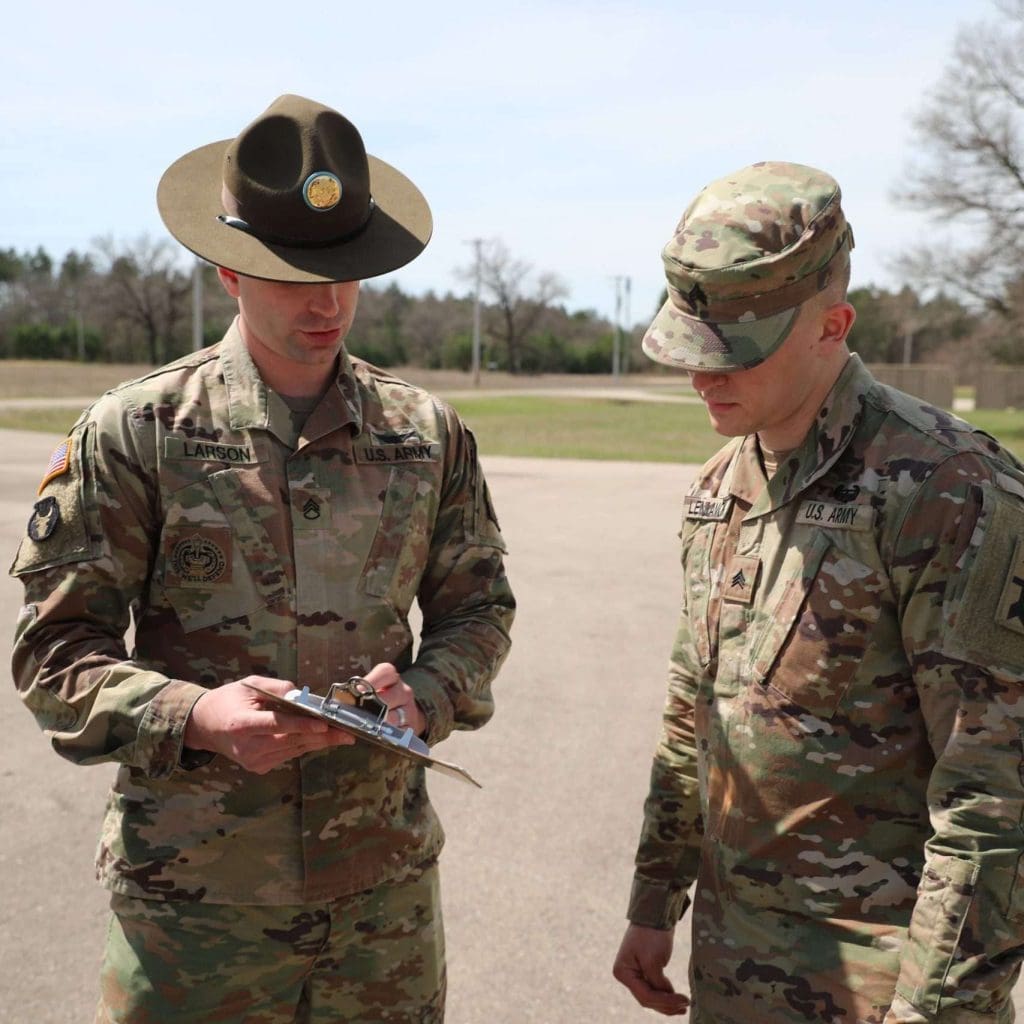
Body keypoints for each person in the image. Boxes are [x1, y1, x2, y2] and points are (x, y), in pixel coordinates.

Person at [10, 94, 515, 1023]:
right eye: (293, 276)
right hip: (195, 915)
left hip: (381, 907)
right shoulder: (139, 433)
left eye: (346, 273)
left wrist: (428, 693)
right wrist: (195, 714)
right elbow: (54, 653)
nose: (327, 304)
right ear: (228, 271)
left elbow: (479, 610)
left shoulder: (424, 435)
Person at [612, 161, 1024, 1022]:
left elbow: (992, 793)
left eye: (733, 353)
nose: (701, 376)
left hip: (883, 984)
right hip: (733, 972)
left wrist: (936, 1013)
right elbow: (696, 708)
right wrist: (656, 898)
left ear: (832, 326)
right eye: (691, 345)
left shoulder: (946, 488)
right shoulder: (719, 486)